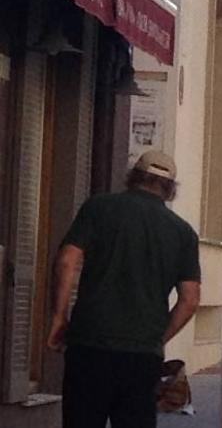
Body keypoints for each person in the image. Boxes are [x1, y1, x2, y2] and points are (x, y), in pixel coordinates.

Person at [47, 150, 201, 428]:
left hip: (89, 343)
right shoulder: (183, 233)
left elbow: (67, 260)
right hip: (142, 353)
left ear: (133, 177)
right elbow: (189, 300)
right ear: (170, 189)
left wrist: (59, 316)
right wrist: (158, 338)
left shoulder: (98, 208)